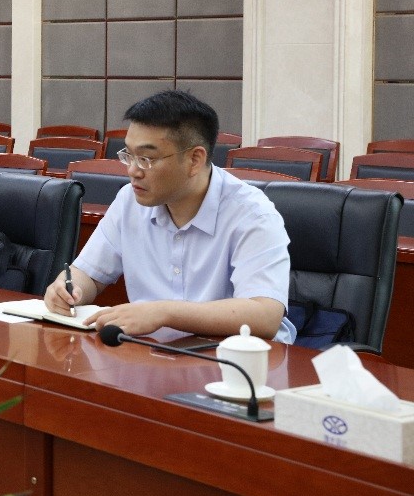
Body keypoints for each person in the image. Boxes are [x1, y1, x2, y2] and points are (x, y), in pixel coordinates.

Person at [43, 90, 295, 342]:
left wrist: (163, 313)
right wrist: (68, 288)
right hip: (154, 354)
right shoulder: (129, 200)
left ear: (195, 159)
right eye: (128, 155)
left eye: (146, 158)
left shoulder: (252, 213)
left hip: (234, 358)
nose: (133, 171)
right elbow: (89, 274)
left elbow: (265, 315)